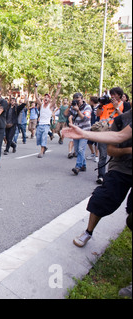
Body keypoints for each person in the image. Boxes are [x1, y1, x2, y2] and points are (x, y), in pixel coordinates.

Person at [72, 109, 131, 248]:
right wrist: (84, 133)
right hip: (121, 167)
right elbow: (117, 140)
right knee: (102, 198)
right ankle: (88, 232)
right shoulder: (121, 120)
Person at [95, 87, 124, 183]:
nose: (112, 96)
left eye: (114, 94)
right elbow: (98, 114)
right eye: (111, 94)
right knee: (102, 155)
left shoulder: (123, 104)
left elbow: (123, 118)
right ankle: (101, 176)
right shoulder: (106, 104)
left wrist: (116, 107)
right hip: (103, 132)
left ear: (119, 95)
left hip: (114, 133)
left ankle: (112, 175)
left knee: (114, 155)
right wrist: (100, 105)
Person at [64, 92, 92, 175]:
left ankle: (78, 167)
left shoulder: (87, 107)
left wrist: (78, 110)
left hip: (84, 131)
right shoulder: (73, 107)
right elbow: (65, 114)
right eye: (75, 100)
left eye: (79, 100)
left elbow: (85, 118)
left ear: (82, 99)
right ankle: (83, 165)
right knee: (77, 150)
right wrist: (70, 106)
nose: (77, 102)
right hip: (76, 131)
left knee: (80, 149)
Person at [34, 83, 61, 158]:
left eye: (47, 97)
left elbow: (55, 97)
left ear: (49, 99)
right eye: (45, 97)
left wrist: (58, 89)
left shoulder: (50, 106)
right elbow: (36, 97)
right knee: (38, 138)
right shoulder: (41, 105)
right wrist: (35, 88)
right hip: (40, 125)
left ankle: (41, 152)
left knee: (44, 138)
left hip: (46, 125)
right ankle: (44, 148)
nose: (46, 98)